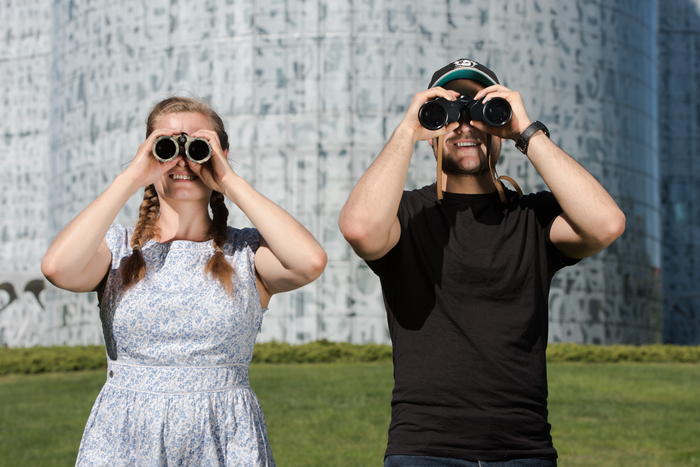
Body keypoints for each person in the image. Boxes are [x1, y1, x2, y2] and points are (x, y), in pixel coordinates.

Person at [338, 58, 626, 466]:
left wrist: (526, 133)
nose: (465, 124)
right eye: (451, 111)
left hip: (523, 450)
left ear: (498, 127)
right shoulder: (406, 215)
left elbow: (607, 224)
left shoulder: (533, 217)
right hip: (424, 448)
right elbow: (359, 229)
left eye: (478, 109)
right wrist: (408, 130)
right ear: (433, 129)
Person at [41, 96, 327, 467]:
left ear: (220, 152)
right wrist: (132, 177)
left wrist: (229, 180)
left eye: (197, 147)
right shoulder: (118, 250)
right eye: (167, 147)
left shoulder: (245, 253)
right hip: (126, 439)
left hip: (224, 438)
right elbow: (57, 268)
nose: (182, 160)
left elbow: (310, 262)